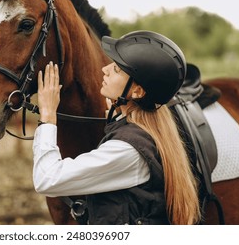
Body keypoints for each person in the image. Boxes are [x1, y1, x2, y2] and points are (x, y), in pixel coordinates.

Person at [33, 30, 201, 225]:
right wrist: (115, 117)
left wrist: (47, 116)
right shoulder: (143, 131)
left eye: (117, 69)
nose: (105, 69)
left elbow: (47, 179)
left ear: (137, 91)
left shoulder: (128, 150)